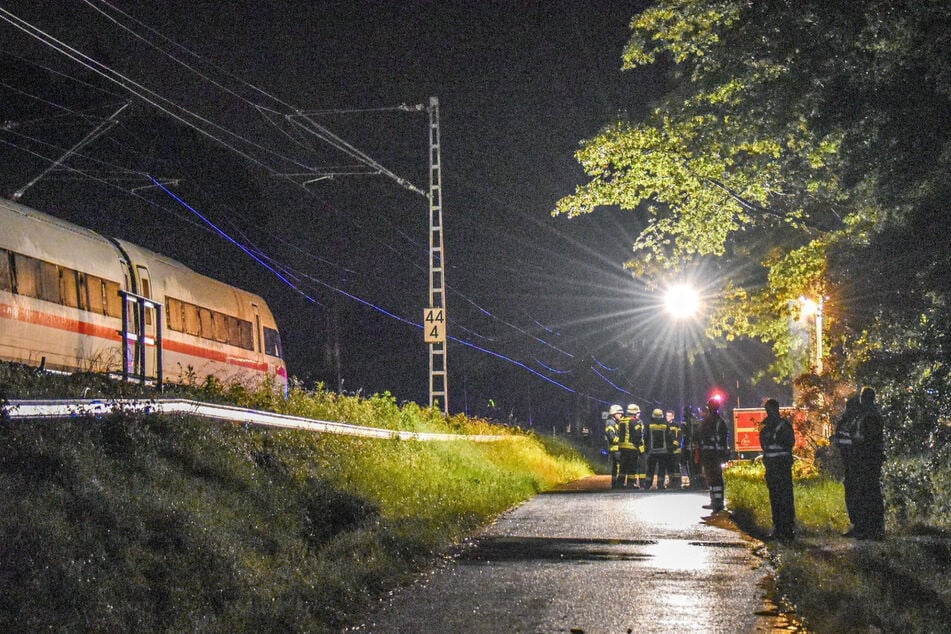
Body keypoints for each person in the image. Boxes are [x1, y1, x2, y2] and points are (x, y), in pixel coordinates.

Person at [850, 388, 886, 539]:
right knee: (864, 493)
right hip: (863, 458)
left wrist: (859, 443)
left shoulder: (871, 416)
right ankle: (866, 527)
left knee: (870, 493)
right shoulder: (865, 415)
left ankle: (874, 529)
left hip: (868, 459)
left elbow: (870, 439)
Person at [760, 399, 796, 541]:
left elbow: (764, 446)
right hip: (782, 466)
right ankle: (786, 528)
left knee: (776, 497)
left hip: (774, 467)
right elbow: (790, 443)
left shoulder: (765, 428)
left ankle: (781, 528)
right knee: (784, 496)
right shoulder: (784, 426)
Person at [832, 396, 861, 535]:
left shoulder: (858, 422)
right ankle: (855, 524)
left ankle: (859, 525)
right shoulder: (845, 422)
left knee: (856, 493)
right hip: (847, 462)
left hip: (856, 462)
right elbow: (839, 440)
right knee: (851, 492)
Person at [699, 398, 730, 512]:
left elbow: (720, 439)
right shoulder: (715, 421)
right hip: (711, 454)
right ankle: (715, 501)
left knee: (715, 477)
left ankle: (718, 502)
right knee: (711, 477)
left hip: (713, 454)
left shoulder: (713, 421)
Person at [643, 408, 672, 489]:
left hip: (652, 452)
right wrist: (670, 450)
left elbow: (645, 437)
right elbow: (669, 438)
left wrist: (646, 448)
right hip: (663, 452)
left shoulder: (649, 426)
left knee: (650, 469)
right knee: (662, 469)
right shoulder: (665, 426)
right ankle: (660, 484)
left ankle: (647, 484)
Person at [618, 405, 640, 488]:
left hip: (622, 447)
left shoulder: (622, 420)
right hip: (631, 447)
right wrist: (638, 444)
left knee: (623, 466)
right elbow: (637, 434)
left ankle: (620, 483)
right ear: (634, 412)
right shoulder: (633, 421)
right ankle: (630, 484)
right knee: (632, 466)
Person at [627, 403, 646, 488]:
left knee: (642, 465)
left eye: (639, 413)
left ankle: (642, 483)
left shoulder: (640, 422)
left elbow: (642, 433)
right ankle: (632, 482)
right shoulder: (630, 421)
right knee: (632, 465)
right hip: (633, 446)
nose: (638, 414)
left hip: (640, 447)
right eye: (637, 413)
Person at [604, 404, 624, 489]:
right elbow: (611, 437)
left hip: (616, 449)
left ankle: (616, 484)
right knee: (618, 467)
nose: (621, 415)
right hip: (615, 449)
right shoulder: (610, 423)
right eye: (619, 413)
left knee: (616, 467)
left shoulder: (615, 422)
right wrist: (622, 441)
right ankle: (618, 484)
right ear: (613, 414)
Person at [666, 410, 683, 489]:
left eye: (669, 416)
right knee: (669, 467)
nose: (667, 417)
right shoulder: (665, 425)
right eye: (667, 416)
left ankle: (678, 483)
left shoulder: (676, 425)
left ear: (673, 416)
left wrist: (674, 445)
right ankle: (671, 482)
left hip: (676, 450)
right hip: (667, 451)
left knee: (676, 467)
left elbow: (679, 437)